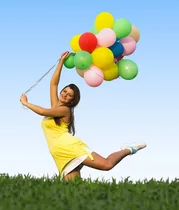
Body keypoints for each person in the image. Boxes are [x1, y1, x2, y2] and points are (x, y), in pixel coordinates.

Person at [20, 51, 146, 181]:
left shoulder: (64, 110)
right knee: (73, 190)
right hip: (59, 153)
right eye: (64, 91)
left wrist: (26, 103)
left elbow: (42, 111)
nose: (65, 95)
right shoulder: (56, 106)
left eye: (69, 95)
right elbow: (53, 84)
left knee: (107, 165)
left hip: (69, 147)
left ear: (72, 100)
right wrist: (61, 62)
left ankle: (128, 149)